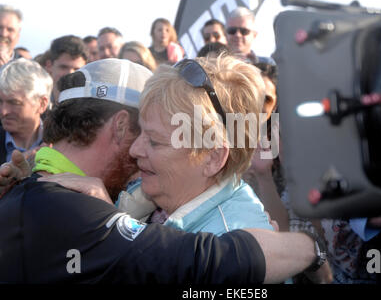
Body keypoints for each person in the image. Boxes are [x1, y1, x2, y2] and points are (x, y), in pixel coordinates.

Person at [0, 58, 319, 284]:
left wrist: (310, 249)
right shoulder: (148, 201)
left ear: (212, 158)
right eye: (140, 135)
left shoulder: (232, 236)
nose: (137, 150)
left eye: (153, 140)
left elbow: (209, 260)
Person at [0, 58, 52, 164]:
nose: (3, 111)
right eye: (0, 101)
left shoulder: (61, 144)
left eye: (14, 103)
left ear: (42, 104)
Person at [45, 35, 88, 105]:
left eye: (77, 69)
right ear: (49, 66)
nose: (70, 74)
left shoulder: (92, 110)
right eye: (63, 67)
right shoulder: (35, 106)